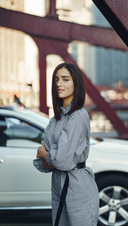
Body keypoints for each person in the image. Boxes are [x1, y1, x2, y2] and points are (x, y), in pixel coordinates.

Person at [34, 62, 99, 226]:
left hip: (76, 185)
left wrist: (46, 155)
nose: (59, 84)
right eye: (56, 79)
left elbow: (60, 160)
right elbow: (43, 163)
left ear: (75, 84)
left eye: (65, 79)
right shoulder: (57, 118)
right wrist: (51, 158)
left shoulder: (77, 116)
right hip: (58, 183)